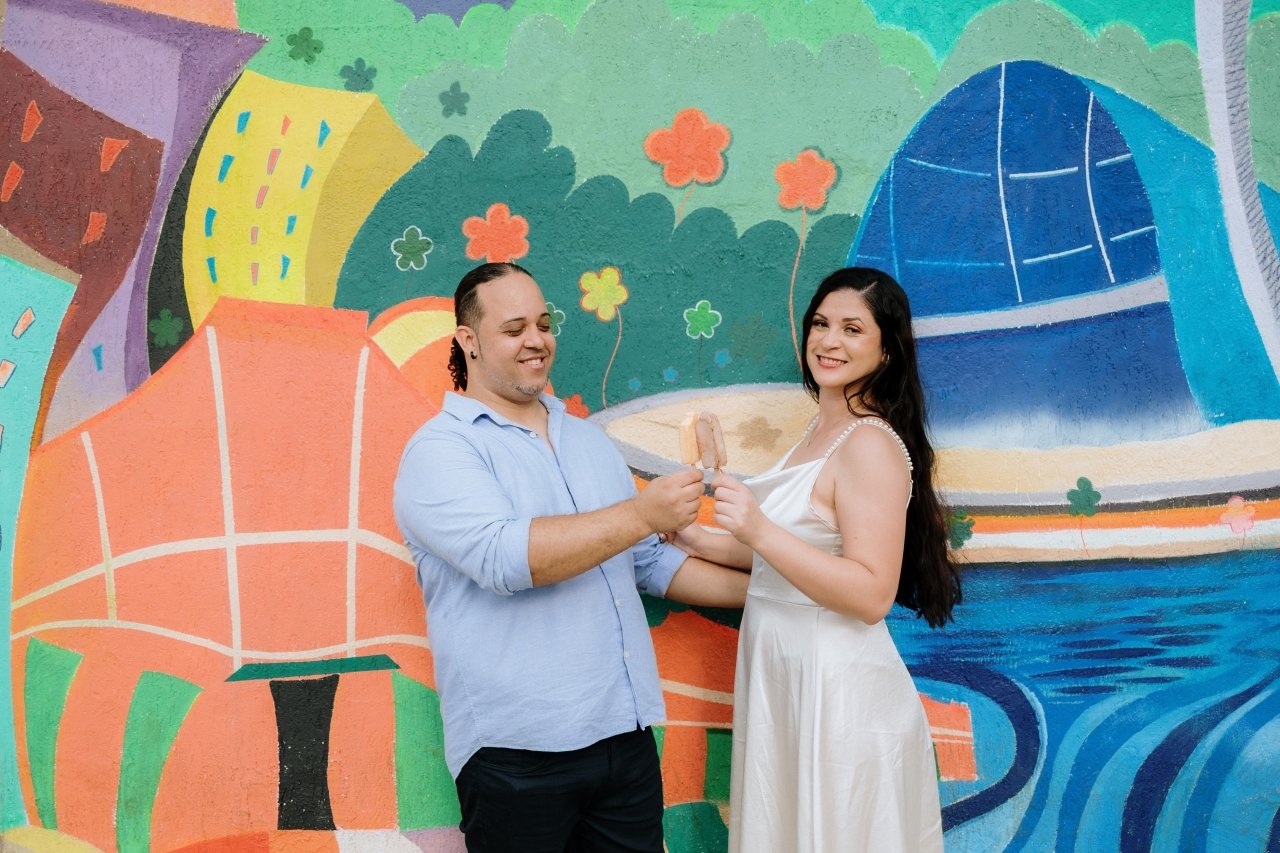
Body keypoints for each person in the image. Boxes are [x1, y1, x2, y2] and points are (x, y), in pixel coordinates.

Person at [393, 261, 749, 853]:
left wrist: (776, 592)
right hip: (516, 752)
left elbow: (645, 562)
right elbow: (505, 559)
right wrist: (643, 514)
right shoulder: (441, 450)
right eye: (514, 329)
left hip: (623, 734)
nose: (536, 340)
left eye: (543, 324)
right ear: (468, 341)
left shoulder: (589, 441)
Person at [673, 266, 962, 852]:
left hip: (837, 694)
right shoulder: (819, 430)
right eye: (821, 324)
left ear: (886, 350)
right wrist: (695, 539)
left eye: (853, 329)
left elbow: (870, 594)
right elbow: (795, 559)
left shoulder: (870, 443)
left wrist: (757, 529)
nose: (829, 341)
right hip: (785, 680)